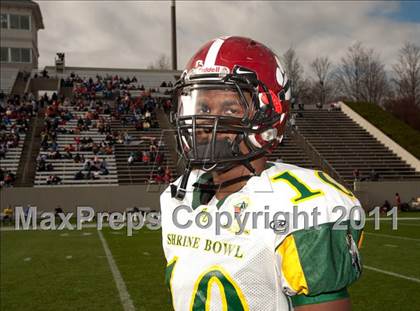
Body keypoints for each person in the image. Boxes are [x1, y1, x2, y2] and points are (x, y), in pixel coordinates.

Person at [160, 36, 363, 311]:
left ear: (270, 115)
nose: (207, 121)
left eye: (230, 108)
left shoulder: (300, 206)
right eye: (203, 107)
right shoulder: (176, 199)